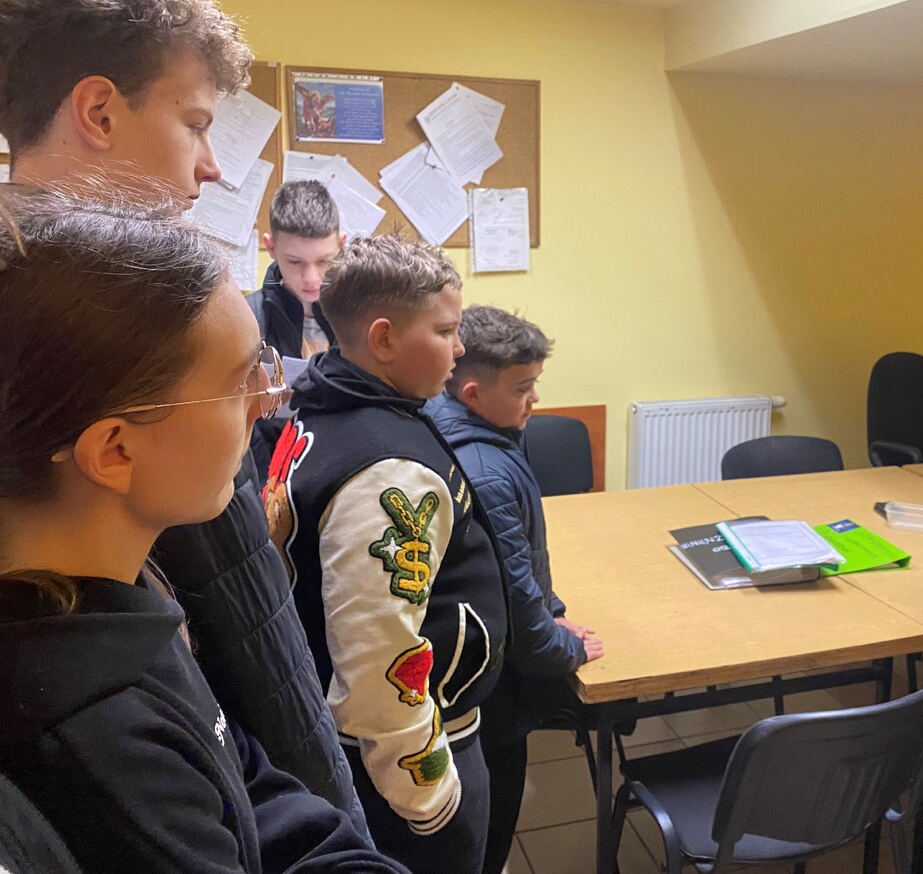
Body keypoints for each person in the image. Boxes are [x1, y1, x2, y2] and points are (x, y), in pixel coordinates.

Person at [0, 0, 370, 839]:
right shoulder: (74, 334)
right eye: (196, 123)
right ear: (99, 111)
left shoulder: (164, 301)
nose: (211, 164)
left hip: (234, 748)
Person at [0, 192, 407, 873]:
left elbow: (247, 785)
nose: (269, 399)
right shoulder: (101, 741)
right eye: (240, 380)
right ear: (116, 451)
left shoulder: (128, 601)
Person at [261, 235, 509, 873]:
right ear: (384, 339)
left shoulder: (326, 404)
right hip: (413, 756)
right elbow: (377, 663)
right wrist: (429, 794)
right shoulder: (385, 472)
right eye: (445, 330)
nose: (460, 347)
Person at [426, 305, 604, 874]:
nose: (535, 400)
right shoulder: (484, 467)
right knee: (496, 810)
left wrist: (554, 611)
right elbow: (513, 593)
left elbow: (520, 561)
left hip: (489, 665)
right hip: (493, 685)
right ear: (473, 393)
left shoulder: (482, 431)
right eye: (523, 388)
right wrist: (564, 647)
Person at [246, 179, 343, 480]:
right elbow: (244, 428)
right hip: (276, 475)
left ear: (342, 244)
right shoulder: (249, 321)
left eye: (324, 261)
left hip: (346, 465)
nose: (311, 278)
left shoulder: (360, 314)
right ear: (271, 248)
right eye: (295, 262)